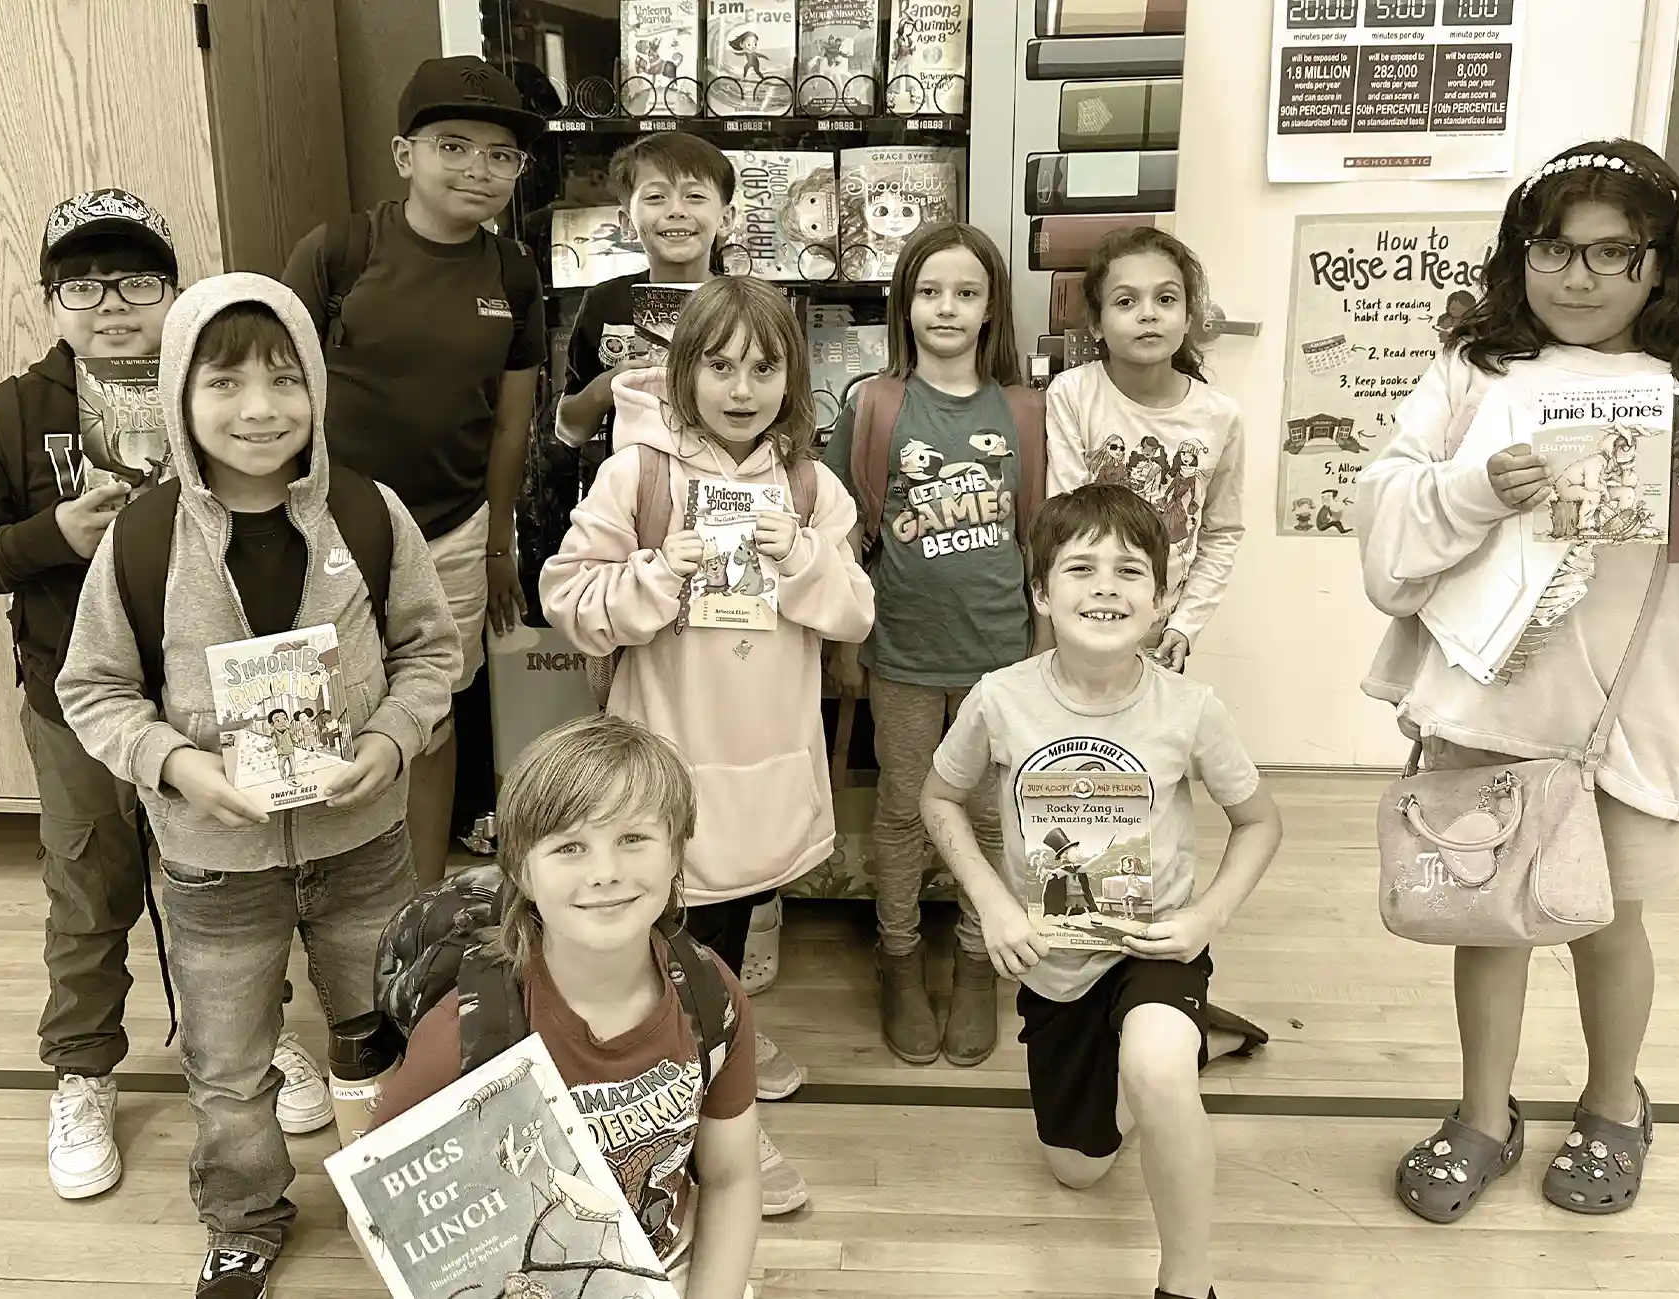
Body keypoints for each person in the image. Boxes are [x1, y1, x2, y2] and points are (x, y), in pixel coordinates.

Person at [1353, 139, 1679, 1224]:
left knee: (1607, 923)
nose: (1574, 277)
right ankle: (1481, 1115)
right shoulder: (1470, 375)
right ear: (1517, 254)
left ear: (1659, 264)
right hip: (1491, 700)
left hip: (1632, 716)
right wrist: (1474, 488)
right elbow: (1384, 526)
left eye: (1609, 253)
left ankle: (1611, 1104)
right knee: (1486, 918)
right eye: (1551, 248)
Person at [57, 274, 460, 1299]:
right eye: (224, 381)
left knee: (389, 1031)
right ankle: (242, 1219)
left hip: (364, 849)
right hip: (210, 865)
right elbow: (93, 690)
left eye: (284, 379)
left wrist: (389, 741)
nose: (258, 408)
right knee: (231, 1069)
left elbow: (428, 651)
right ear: (182, 397)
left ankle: (417, 1191)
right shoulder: (144, 538)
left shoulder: (368, 514)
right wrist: (178, 764)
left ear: (316, 389)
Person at [0, 188, 315, 1203]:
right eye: (82, 283)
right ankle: (84, 1070)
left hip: (214, 700)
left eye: (136, 279)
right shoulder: (13, 413)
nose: (111, 304)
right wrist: (53, 539)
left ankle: (258, 1040)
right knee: (91, 887)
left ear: (173, 292)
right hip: (74, 702)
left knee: (235, 880)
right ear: (52, 299)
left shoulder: (224, 391)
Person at [541, 275, 875, 1217]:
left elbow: (857, 608)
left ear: (791, 377)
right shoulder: (637, 474)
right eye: (719, 365)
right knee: (680, 930)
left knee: (737, 911)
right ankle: (710, 1108)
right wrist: (654, 571)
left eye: (763, 368)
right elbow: (568, 601)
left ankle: (721, 1033)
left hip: (768, 755)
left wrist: (801, 557)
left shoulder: (811, 483)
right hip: (669, 758)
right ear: (684, 370)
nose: (740, 387)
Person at [920, 483, 1282, 1299]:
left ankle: (1187, 1282)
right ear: (1042, 593)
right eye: (1080, 568)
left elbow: (1260, 822)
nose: (1106, 586)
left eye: (1129, 570)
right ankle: (1196, 1042)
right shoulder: (999, 697)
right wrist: (993, 901)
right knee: (1078, 1171)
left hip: (1154, 947)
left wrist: (1204, 916)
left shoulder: (1192, 709)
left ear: (1160, 601)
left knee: (1156, 1067)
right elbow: (938, 800)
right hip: (1055, 964)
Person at [371, 715, 761, 1299]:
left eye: (634, 838)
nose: (605, 873)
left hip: (666, 1266)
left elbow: (731, 1178)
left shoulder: (710, 995)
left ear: (677, 852)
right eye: (570, 846)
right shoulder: (467, 1032)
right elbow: (378, 1211)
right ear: (522, 870)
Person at [281, 55, 547, 886]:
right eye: (454, 146)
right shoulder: (338, 252)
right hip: (322, 528)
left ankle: (418, 904)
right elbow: (271, 393)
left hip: (455, 529)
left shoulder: (511, 273)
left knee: (431, 716)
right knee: (313, 710)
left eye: (501, 155)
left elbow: (512, 423)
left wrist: (499, 541)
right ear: (405, 155)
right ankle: (320, 893)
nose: (479, 169)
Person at [822, 222, 1039, 1067]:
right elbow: (839, 532)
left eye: (966, 293)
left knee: (987, 814)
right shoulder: (874, 404)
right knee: (907, 808)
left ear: (991, 308)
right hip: (903, 652)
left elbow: (1040, 538)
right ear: (903, 303)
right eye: (929, 292)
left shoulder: (1024, 409)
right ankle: (900, 955)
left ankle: (979, 959)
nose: (946, 308)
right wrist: (846, 644)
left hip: (1002, 658)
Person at [1044, 228, 1245, 672]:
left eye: (1166, 299)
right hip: (1085, 621)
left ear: (1190, 315)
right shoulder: (1074, 393)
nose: (1148, 315)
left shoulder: (1219, 416)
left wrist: (1185, 626)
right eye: (1126, 301)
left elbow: (1221, 532)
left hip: (1163, 632)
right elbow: (1060, 520)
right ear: (1095, 322)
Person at [554, 132, 736, 469]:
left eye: (694, 195)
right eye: (655, 197)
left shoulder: (749, 306)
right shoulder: (605, 302)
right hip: (630, 498)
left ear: (726, 219)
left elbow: (786, 418)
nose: (676, 211)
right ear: (626, 223)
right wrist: (609, 385)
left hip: (725, 493)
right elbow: (569, 429)